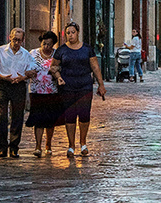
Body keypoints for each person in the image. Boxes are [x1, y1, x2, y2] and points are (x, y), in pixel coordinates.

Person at [0, 26, 40, 157]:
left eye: (19, 41)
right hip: (3, 85)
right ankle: (2, 148)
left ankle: (14, 147)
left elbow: (34, 70)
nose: (16, 43)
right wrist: (2, 76)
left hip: (18, 86)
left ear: (23, 41)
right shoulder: (0, 51)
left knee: (17, 116)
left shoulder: (26, 54)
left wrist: (24, 77)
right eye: (14, 39)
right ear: (10, 38)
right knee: (1, 116)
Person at [53, 22, 105, 156]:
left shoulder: (87, 49)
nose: (70, 35)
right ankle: (71, 145)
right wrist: (58, 76)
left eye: (73, 32)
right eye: (68, 33)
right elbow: (54, 67)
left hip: (84, 85)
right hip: (67, 86)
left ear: (78, 32)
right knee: (69, 115)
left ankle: (83, 143)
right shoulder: (61, 50)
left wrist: (101, 84)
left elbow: (95, 67)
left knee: (84, 114)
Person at [24, 31, 65, 156]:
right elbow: (26, 68)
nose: (46, 47)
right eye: (44, 44)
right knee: (38, 119)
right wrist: (29, 73)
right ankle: (38, 147)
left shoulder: (57, 54)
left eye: (49, 44)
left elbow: (61, 68)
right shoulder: (33, 53)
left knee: (50, 120)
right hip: (36, 90)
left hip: (52, 91)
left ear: (53, 44)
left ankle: (48, 144)